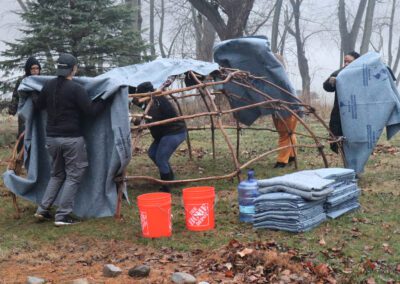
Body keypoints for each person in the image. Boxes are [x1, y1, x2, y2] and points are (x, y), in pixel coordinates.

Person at [33, 53, 107, 226]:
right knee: (73, 176)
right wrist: (105, 99)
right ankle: (62, 216)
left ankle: (42, 210)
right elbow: (91, 112)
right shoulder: (76, 89)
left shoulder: (48, 85)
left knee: (57, 175)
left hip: (51, 139)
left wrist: (31, 94)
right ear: (73, 69)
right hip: (72, 140)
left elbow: (38, 106)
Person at [134, 81, 187, 193]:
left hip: (174, 132)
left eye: (140, 95)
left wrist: (135, 120)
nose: (139, 97)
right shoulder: (150, 100)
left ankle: (166, 187)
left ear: (147, 93)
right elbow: (139, 103)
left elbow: (151, 119)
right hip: (163, 133)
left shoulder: (157, 101)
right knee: (152, 153)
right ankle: (170, 178)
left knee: (161, 158)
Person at [323, 51, 360, 153]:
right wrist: (331, 82)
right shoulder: (340, 73)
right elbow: (326, 86)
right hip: (340, 110)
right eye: (345, 62)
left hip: (358, 111)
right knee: (338, 133)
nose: (346, 64)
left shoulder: (363, 74)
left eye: (349, 62)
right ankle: (343, 153)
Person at [8, 57, 41, 151]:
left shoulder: (41, 80)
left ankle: (35, 157)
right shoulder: (23, 80)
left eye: (37, 68)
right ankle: (20, 158)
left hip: (38, 111)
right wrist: (11, 112)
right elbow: (15, 96)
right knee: (23, 134)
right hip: (24, 111)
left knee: (37, 134)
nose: (35, 71)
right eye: (32, 69)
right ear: (28, 69)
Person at [272, 53, 298, 168]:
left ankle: (282, 161)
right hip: (278, 109)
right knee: (288, 133)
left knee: (284, 134)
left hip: (287, 109)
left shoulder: (281, 77)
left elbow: (288, 94)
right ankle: (292, 156)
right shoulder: (274, 77)